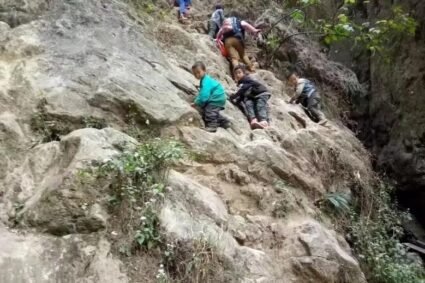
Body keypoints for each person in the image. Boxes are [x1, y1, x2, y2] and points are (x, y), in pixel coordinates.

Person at [191, 61, 230, 132]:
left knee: (209, 111)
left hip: (216, 98)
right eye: (195, 74)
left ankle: (212, 126)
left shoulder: (206, 81)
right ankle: (224, 122)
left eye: (198, 72)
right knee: (213, 112)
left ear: (204, 70)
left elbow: (204, 96)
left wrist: (197, 102)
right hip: (219, 97)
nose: (197, 75)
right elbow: (203, 93)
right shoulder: (205, 79)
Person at [230, 64, 271, 129]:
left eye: (239, 72)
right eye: (236, 74)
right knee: (248, 103)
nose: (238, 75)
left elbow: (243, 90)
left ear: (244, 73)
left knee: (260, 106)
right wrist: (236, 101)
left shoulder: (246, 79)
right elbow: (242, 96)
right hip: (253, 97)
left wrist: (234, 96)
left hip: (262, 93)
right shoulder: (240, 83)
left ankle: (264, 121)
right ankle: (253, 120)